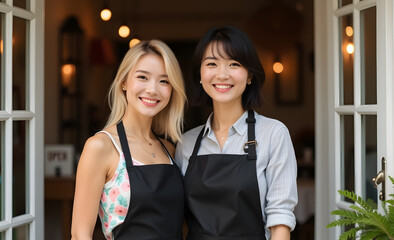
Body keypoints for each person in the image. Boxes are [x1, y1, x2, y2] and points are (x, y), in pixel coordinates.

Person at [175, 26, 298, 240]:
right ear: (200, 75)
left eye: (234, 64)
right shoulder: (186, 143)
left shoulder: (273, 134)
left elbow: (280, 221)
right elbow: (177, 218)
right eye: (212, 64)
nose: (222, 74)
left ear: (250, 75)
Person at [71, 40, 187, 240]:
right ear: (124, 82)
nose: (152, 89)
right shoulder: (101, 147)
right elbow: (80, 235)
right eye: (143, 77)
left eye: (164, 81)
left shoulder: (169, 150)